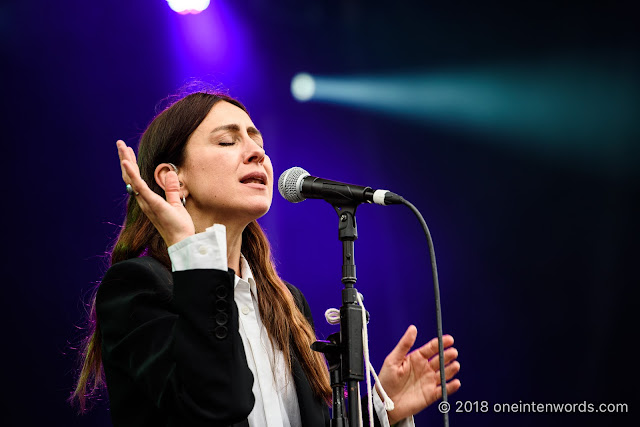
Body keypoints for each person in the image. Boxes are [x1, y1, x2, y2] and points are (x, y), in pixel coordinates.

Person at [71, 91, 461, 426]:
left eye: (257, 140)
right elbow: (215, 405)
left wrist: (377, 412)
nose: (257, 152)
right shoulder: (138, 287)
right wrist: (190, 247)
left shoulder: (286, 304)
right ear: (174, 178)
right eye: (227, 142)